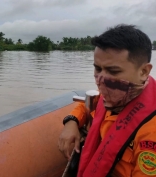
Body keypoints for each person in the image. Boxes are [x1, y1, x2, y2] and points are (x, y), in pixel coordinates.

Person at [58, 24, 155, 177]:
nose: (102, 79)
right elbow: (86, 106)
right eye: (98, 69)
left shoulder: (151, 129)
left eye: (113, 71)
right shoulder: (114, 94)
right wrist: (71, 121)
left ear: (143, 71)